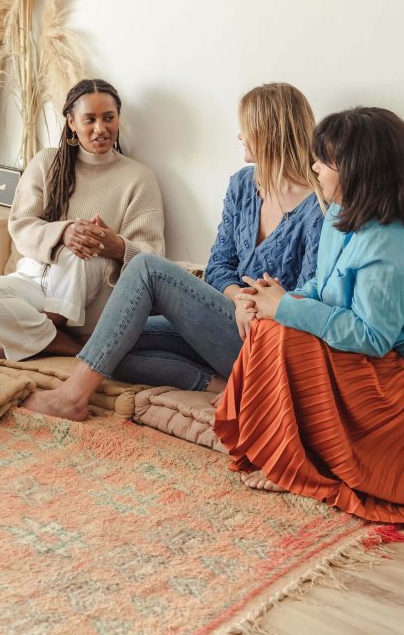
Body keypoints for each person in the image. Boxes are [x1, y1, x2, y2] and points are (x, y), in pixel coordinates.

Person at [23, 82, 325, 418]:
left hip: (268, 339)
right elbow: (219, 266)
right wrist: (237, 297)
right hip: (226, 321)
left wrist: (254, 306)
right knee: (114, 341)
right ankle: (223, 385)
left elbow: (309, 296)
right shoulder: (243, 184)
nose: (240, 135)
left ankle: (72, 396)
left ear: (269, 132)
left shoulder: (318, 208)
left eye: (246, 128)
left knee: (147, 268)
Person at [215, 107, 404, 527]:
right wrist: (274, 298)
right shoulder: (338, 214)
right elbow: (322, 288)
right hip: (365, 365)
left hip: (400, 387)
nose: (313, 168)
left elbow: (372, 336)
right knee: (271, 325)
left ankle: (294, 466)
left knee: (284, 333)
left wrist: (289, 308)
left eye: (323, 160)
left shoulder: (393, 242)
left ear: (356, 169)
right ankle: (278, 453)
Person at [0, 78, 165, 360]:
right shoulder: (46, 162)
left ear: (118, 118)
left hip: (95, 298)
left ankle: (42, 331)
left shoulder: (139, 178)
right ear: (71, 122)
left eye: (108, 118)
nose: (100, 129)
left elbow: (154, 257)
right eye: (89, 119)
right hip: (37, 279)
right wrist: (65, 232)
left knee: (78, 253)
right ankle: (67, 345)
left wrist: (114, 245)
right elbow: (20, 226)